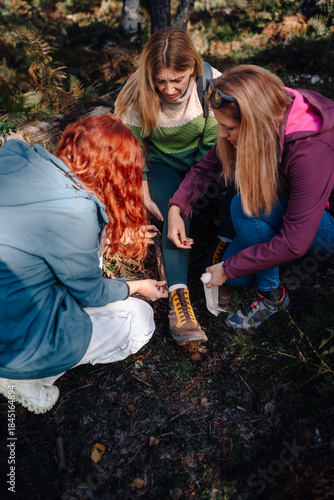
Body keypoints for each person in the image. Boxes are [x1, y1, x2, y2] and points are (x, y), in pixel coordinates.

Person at [0, 114, 167, 414]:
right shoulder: (76, 213)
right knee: (140, 320)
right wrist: (137, 286)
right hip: (14, 334)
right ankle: (21, 376)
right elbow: (91, 295)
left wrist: (113, 229)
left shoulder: (15, 153)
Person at [168, 64, 334, 331]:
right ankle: (266, 263)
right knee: (236, 278)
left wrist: (229, 268)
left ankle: (271, 296)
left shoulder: (309, 152)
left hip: (326, 222)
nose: (221, 134)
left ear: (255, 122)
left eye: (229, 128)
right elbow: (208, 166)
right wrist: (177, 207)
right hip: (296, 208)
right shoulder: (268, 113)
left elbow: (295, 242)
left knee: (245, 216)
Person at [115, 27, 223, 343]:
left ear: (193, 67)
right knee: (173, 211)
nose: (170, 89)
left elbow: (214, 145)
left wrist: (191, 192)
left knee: (232, 193)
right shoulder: (138, 90)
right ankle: (179, 298)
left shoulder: (211, 82)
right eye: (161, 81)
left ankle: (225, 267)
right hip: (159, 164)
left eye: (178, 79)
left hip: (207, 162)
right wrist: (142, 188)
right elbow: (131, 146)